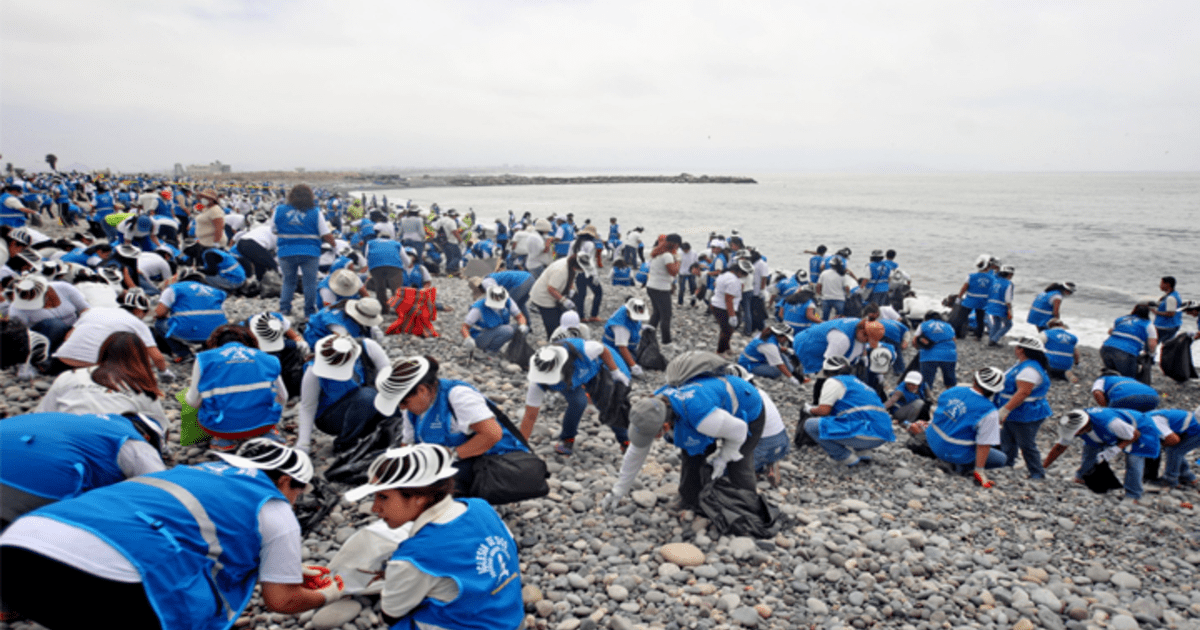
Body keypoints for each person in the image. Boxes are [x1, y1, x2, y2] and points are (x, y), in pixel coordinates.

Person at [0, 439, 342, 630]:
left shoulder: (189, 473)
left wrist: (283, 570)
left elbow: (195, 536)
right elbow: (281, 601)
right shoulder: (275, 509)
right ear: (285, 482)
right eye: (299, 491)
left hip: (19, 547)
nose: (296, 500)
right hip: (109, 581)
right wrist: (328, 595)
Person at [343, 445, 524, 629]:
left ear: (419, 497)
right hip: (512, 618)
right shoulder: (481, 507)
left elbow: (391, 614)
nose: (375, 508)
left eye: (383, 497)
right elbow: (511, 548)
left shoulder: (413, 557)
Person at [606, 363, 765, 510]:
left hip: (746, 407)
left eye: (652, 436)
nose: (649, 440)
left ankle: (749, 509)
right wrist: (618, 490)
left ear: (666, 426)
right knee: (692, 454)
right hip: (710, 409)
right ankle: (691, 501)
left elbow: (739, 430)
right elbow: (636, 452)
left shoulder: (702, 418)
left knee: (738, 463)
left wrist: (723, 458)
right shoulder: (652, 407)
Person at [373, 356, 530, 491]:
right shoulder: (411, 409)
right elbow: (407, 444)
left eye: (404, 401)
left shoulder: (457, 396)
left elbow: (492, 434)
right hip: (458, 459)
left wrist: (450, 456)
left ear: (422, 390)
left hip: (493, 460)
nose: (401, 407)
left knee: (431, 485)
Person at [0, 412, 165, 529]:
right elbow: (160, 493)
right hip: (39, 482)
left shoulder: (83, 423)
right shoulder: (134, 441)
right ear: (149, 437)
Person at [186, 324, 287, 451]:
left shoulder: (204, 359)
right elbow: (283, 397)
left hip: (222, 427)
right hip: (263, 424)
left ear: (216, 343)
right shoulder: (268, 359)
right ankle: (268, 433)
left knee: (200, 404)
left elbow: (192, 402)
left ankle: (223, 440)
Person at [520, 340, 631, 455]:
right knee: (578, 402)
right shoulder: (538, 383)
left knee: (610, 404)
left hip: (595, 368)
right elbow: (530, 416)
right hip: (569, 382)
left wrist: (615, 372)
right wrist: (521, 445)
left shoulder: (585, 351)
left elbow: (602, 349)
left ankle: (625, 441)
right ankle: (567, 440)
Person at [296, 332, 391, 453]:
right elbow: (307, 407)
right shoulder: (313, 370)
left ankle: (381, 435)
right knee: (367, 396)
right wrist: (303, 445)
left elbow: (389, 379)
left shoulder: (368, 348)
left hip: (365, 409)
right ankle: (346, 442)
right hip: (331, 417)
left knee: (388, 402)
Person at [36, 331, 166, 417]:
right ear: (141, 358)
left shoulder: (69, 376)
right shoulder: (141, 388)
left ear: (102, 352)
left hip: (63, 439)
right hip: (109, 444)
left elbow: (42, 414)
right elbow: (158, 426)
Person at [1043, 408, 1161, 501]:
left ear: (1083, 427)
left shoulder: (1110, 423)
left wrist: (1116, 448)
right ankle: (1082, 477)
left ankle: (1134, 494)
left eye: (1075, 432)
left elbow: (1135, 435)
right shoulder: (1073, 423)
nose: (1074, 434)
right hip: (1105, 433)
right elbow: (1060, 447)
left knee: (1133, 460)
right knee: (1090, 451)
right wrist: (1043, 467)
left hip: (1140, 429)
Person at [916, 367, 1008, 485]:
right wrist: (979, 471)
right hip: (953, 452)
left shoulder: (953, 390)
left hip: (931, 439)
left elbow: (938, 414)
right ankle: (958, 466)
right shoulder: (989, 411)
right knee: (1001, 459)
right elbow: (984, 444)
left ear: (975, 380)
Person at [802, 356, 896, 467]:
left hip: (864, 435)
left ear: (828, 372)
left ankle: (845, 458)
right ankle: (864, 453)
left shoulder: (834, 381)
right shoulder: (860, 384)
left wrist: (809, 409)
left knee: (810, 425)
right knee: (854, 416)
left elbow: (824, 411)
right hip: (883, 434)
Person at [51, 288, 167, 373]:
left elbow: (68, 336)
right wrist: (164, 372)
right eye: (145, 312)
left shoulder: (94, 311)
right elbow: (157, 358)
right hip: (91, 368)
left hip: (62, 362)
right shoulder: (136, 323)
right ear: (138, 310)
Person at [994, 336, 1053, 479]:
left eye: (1017, 347)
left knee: (1026, 444)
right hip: (1017, 412)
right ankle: (1006, 464)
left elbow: (1023, 392)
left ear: (1022, 350)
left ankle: (1037, 473)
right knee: (1007, 439)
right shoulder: (1023, 365)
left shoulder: (1029, 370)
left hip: (1026, 413)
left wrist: (1005, 409)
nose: (1015, 349)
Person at [275, 184, 336, 317]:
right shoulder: (315, 212)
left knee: (288, 281)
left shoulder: (279, 210)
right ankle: (309, 311)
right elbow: (325, 233)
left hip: (286, 251)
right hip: (310, 252)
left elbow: (273, 230)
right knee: (310, 283)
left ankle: (284, 309)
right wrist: (334, 244)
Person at [154, 269, 229, 359]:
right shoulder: (217, 292)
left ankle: (184, 354)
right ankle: (207, 349)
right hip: (216, 334)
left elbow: (159, 312)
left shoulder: (175, 288)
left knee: (159, 324)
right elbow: (222, 314)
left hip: (188, 332)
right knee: (209, 320)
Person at [6, 274, 90, 351]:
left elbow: (86, 309)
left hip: (76, 328)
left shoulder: (63, 288)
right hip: (48, 340)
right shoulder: (17, 308)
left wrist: (75, 328)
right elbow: (20, 333)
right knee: (55, 325)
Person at [793, 317, 885, 376]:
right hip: (806, 343)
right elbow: (829, 362)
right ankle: (800, 367)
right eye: (867, 339)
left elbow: (860, 347)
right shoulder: (842, 339)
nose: (867, 342)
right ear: (862, 331)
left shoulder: (860, 325)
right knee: (817, 372)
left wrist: (864, 357)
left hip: (817, 337)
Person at [528, 251, 584, 340]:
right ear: (576, 266)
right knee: (552, 324)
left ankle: (562, 340)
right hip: (544, 296)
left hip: (555, 292)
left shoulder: (571, 264)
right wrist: (563, 300)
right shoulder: (560, 270)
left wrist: (571, 289)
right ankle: (552, 342)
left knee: (559, 319)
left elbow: (572, 277)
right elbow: (551, 289)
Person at [1099, 302, 1158, 382]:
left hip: (1106, 348)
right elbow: (1152, 344)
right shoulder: (1148, 325)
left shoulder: (1121, 319)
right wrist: (1151, 355)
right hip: (1127, 352)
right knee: (1128, 379)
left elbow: (1111, 331)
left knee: (1111, 373)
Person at [461, 285, 529, 353]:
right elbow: (464, 327)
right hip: (481, 336)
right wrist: (468, 339)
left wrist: (523, 325)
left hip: (499, 330)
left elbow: (520, 316)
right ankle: (491, 351)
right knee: (507, 330)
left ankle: (512, 351)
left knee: (523, 330)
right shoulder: (478, 308)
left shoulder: (508, 301)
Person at [1147, 407, 1200, 489]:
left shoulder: (1151, 421)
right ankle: (1187, 476)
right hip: (1194, 423)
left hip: (1197, 427)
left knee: (1174, 450)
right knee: (1175, 450)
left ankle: (1170, 479)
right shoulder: (1149, 417)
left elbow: (1174, 440)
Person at [645, 233, 682, 345]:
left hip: (651, 286)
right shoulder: (667, 256)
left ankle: (648, 335)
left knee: (656, 313)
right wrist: (678, 261)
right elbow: (673, 272)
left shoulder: (657, 253)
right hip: (661, 288)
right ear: (675, 245)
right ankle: (666, 341)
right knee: (666, 315)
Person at [711, 257, 753, 356]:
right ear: (738, 271)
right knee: (727, 332)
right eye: (744, 273)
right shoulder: (734, 281)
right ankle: (719, 352)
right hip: (723, 308)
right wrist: (732, 316)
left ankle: (727, 348)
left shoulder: (724, 274)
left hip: (716, 304)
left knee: (725, 329)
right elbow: (728, 299)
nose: (744, 276)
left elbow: (715, 284)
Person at [602, 297, 651, 378]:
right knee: (625, 367)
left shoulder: (630, 309)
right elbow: (622, 348)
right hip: (614, 349)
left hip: (628, 346)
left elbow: (634, 323)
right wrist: (633, 367)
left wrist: (641, 327)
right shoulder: (621, 327)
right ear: (628, 312)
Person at [955, 255, 995, 340]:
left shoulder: (971, 276)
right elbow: (993, 291)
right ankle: (978, 336)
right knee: (980, 319)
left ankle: (957, 334)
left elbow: (964, 288)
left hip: (970, 300)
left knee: (961, 317)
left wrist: (959, 298)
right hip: (983, 302)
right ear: (987, 266)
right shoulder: (992, 278)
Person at [365, 233, 410, 308]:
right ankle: (398, 309)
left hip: (376, 266)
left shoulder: (370, 242)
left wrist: (371, 267)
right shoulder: (396, 243)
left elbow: (366, 255)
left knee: (380, 288)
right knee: (396, 289)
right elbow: (406, 260)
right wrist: (404, 268)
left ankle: (384, 309)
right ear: (390, 238)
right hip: (395, 266)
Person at [914, 311, 957, 390]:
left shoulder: (923, 325)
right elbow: (954, 340)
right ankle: (950, 394)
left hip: (928, 355)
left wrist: (918, 348)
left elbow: (915, 340)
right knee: (950, 379)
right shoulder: (949, 326)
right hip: (948, 355)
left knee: (926, 382)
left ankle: (927, 399)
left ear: (926, 318)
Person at [1091, 370, 1161, 411]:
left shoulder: (1103, 378)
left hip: (1126, 397)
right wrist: (1164, 395)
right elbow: (1161, 394)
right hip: (1154, 397)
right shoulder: (1128, 379)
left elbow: (1097, 392)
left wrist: (1106, 409)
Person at [984, 265, 1015, 346]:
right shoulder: (1009, 284)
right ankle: (994, 339)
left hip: (991, 305)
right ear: (1009, 275)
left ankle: (991, 340)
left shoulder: (995, 281)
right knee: (1008, 324)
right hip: (1001, 307)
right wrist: (1010, 310)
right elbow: (1008, 299)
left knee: (996, 324)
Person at [818, 256, 849, 320]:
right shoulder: (842, 274)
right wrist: (848, 295)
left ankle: (825, 328)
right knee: (840, 318)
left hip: (826, 298)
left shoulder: (824, 273)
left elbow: (818, 286)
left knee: (825, 318)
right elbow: (847, 287)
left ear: (830, 265)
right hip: (839, 299)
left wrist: (819, 295)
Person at [1153, 276, 1182, 340]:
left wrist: (1155, 312)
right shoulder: (1175, 294)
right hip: (1174, 324)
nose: (1160, 285)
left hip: (1165, 326)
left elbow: (1171, 313)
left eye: (1161, 283)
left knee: (1150, 346)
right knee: (1168, 346)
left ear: (1167, 284)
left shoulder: (1170, 298)